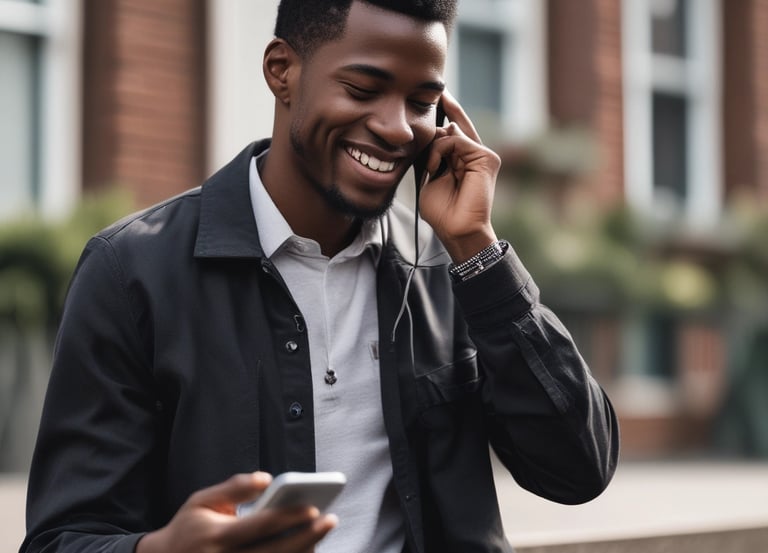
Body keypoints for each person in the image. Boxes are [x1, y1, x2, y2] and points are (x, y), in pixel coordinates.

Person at [21, 1, 619, 552]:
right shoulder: (132, 273)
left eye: (420, 102)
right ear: (282, 71)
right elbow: (62, 537)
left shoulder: (450, 269)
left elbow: (578, 471)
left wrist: (477, 248)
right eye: (364, 89)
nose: (397, 128)